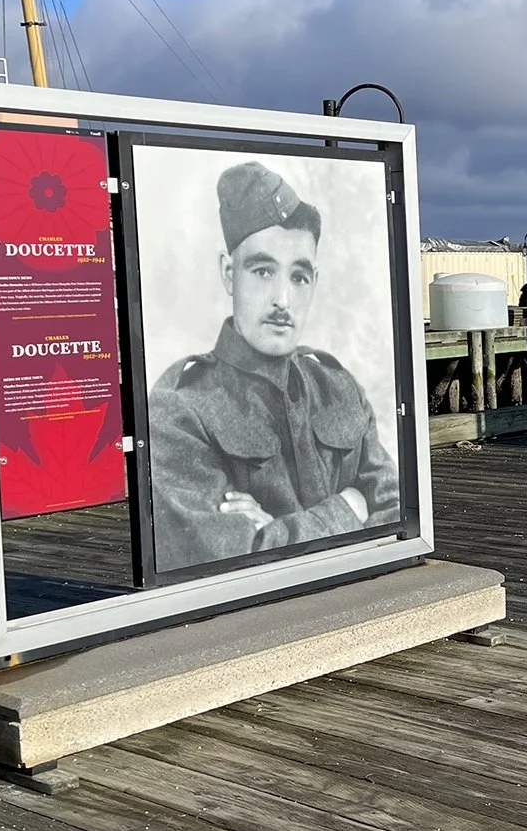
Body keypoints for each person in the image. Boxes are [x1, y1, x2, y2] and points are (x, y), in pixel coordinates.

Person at [146, 160, 399, 572]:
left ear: (314, 282)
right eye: (262, 271)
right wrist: (349, 506)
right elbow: (228, 558)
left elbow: (396, 511)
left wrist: (279, 531)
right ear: (230, 275)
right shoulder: (180, 409)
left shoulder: (336, 386)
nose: (282, 298)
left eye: (298, 277)